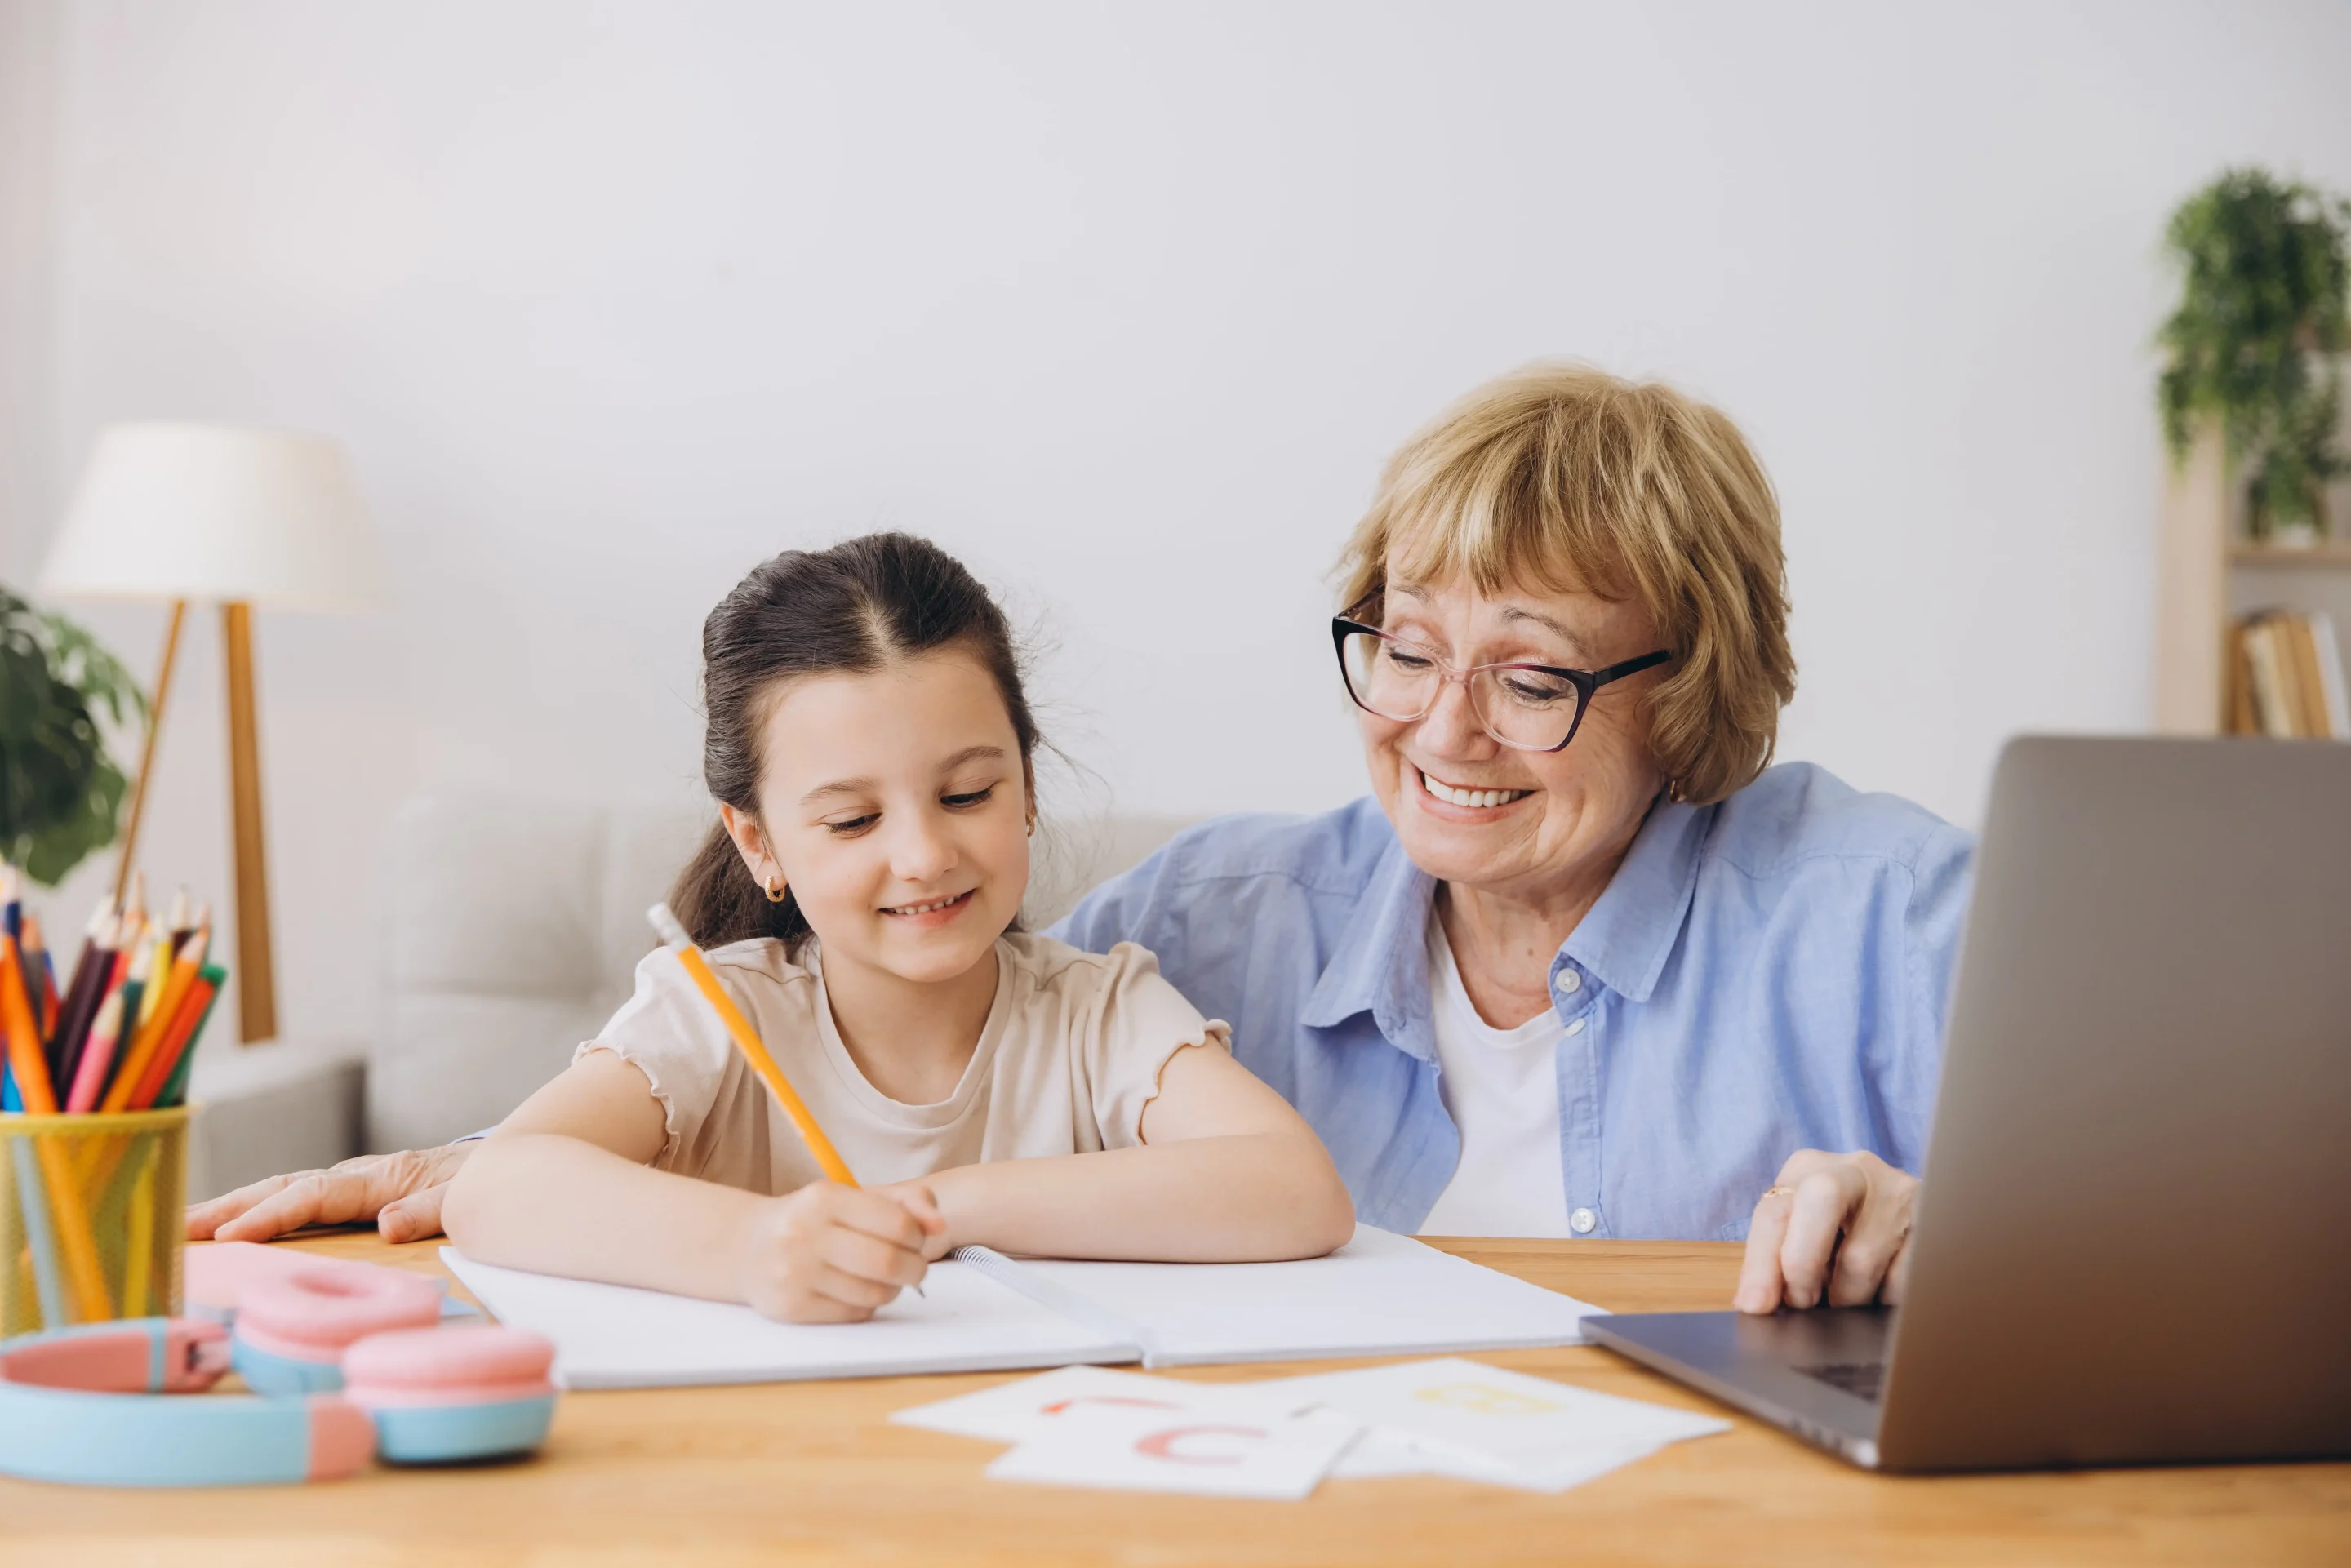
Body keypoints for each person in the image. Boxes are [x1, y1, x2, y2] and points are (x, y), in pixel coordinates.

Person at [191, 363, 1970, 1317]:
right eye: (1408, 650)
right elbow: (903, 1035)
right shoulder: (1212, 917)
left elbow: (2202, 1232)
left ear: (1692, 680)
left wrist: (1950, 1221)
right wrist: (482, 1164)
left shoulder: (1887, 915)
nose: (1441, 731)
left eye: (1534, 681)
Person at [431, 533, 1352, 1322]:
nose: (922, 855)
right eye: (852, 821)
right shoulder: (716, 1013)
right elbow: (498, 1187)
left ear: (1027, 788)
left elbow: (1297, 1191)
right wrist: (752, 1247)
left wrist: (934, 1207)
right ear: (759, 842)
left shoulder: (1099, 1011)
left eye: (966, 794)